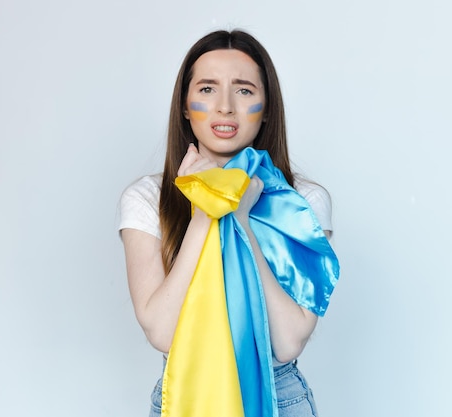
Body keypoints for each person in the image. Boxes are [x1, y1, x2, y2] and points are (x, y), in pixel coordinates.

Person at [118, 29, 339, 417]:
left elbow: (287, 342)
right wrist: (206, 211)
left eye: (244, 90)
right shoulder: (147, 199)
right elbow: (162, 332)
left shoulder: (302, 201)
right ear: (185, 106)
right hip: (187, 393)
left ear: (267, 106)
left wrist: (241, 220)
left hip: (279, 398)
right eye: (206, 89)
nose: (224, 107)